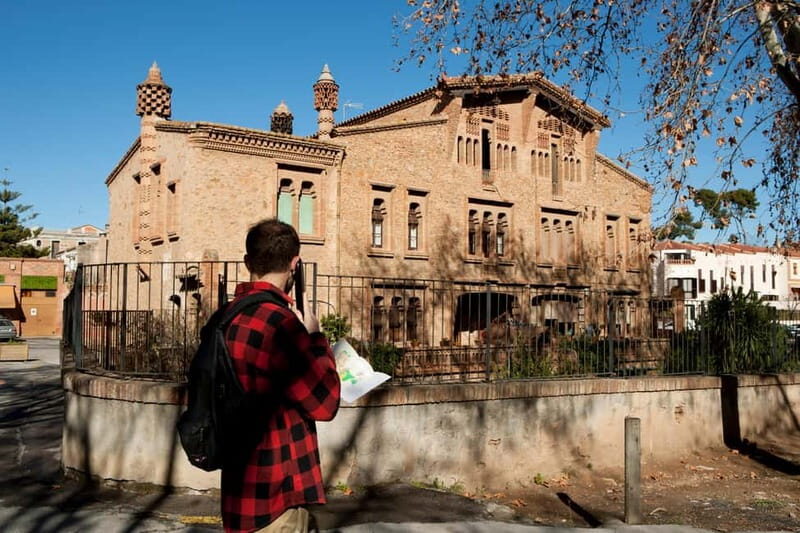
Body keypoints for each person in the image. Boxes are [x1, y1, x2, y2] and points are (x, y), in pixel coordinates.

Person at [221, 218, 341, 533]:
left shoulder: (223, 321)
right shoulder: (282, 327)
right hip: (277, 497)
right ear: (295, 263)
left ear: (248, 262)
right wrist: (315, 339)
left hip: (237, 495)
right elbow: (325, 404)